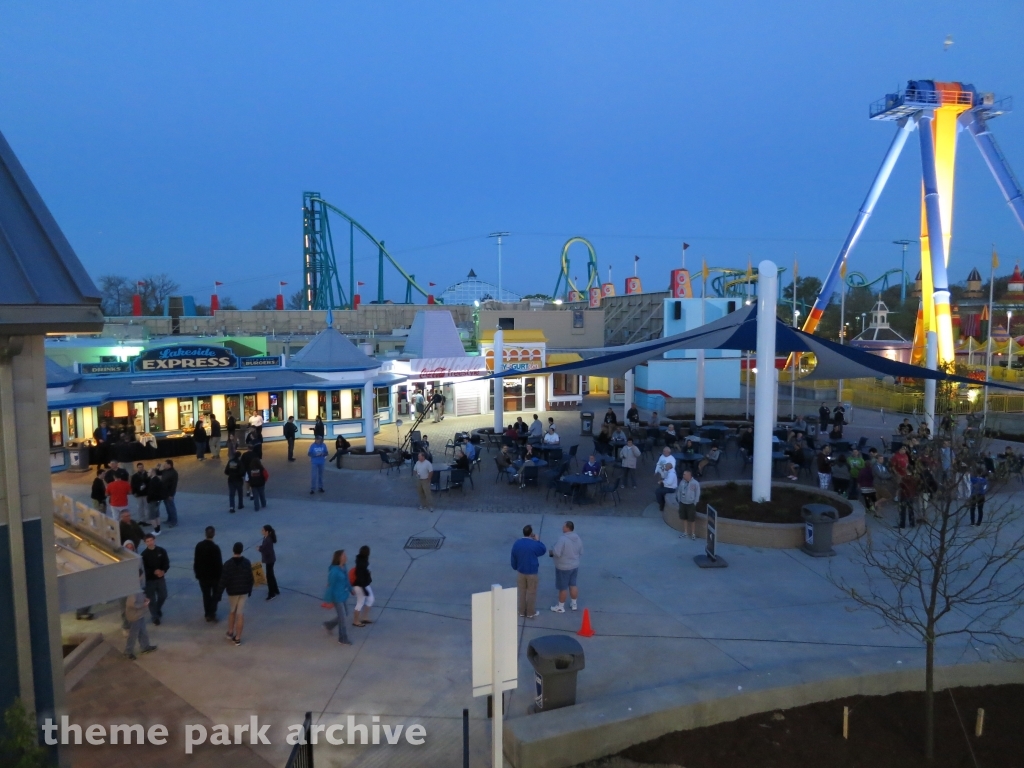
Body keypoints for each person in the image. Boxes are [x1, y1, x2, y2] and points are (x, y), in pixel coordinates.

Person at [219, 542, 254, 646]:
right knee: (240, 614)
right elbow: (250, 578)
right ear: (241, 550)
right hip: (244, 591)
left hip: (232, 591)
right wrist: (249, 590)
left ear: (233, 550)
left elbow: (223, 580)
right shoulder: (247, 562)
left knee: (232, 611)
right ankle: (238, 638)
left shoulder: (228, 564)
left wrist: (219, 593)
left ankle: (230, 632)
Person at [510, 525, 546, 618]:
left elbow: (513, 556)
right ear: (531, 533)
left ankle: (521, 611)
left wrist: (515, 567)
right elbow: (543, 550)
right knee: (531, 592)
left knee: (521, 592)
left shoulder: (517, 543)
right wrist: (537, 540)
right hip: (532, 572)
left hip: (521, 571)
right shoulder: (534, 544)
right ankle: (530, 612)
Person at [549, 521, 582, 613]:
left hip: (563, 567)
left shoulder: (562, 539)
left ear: (568, 528)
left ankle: (560, 606)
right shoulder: (578, 538)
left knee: (563, 587)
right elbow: (581, 551)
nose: (562, 527)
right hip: (574, 565)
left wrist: (552, 551)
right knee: (573, 584)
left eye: (564, 526)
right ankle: (574, 604)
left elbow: (557, 553)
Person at [322, 550, 352, 645]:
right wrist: (329, 601)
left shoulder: (343, 567)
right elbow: (330, 586)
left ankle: (329, 625)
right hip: (337, 597)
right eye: (344, 555)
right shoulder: (334, 571)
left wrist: (351, 589)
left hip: (343, 595)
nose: (346, 556)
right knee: (342, 618)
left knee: (344, 614)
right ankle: (342, 638)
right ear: (339, 558)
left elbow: (347, 579)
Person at [193, 526, 223, 622]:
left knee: (206, 595)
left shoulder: (199, 546)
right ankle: (212, 612)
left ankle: (207, 614)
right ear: (214, 534)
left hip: (203, 577)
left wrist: (197, 573)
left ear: (205, 534)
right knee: (215, 595)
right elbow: (219, 564)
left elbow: (196, 561)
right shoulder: (215, 548)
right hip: (214, 577)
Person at [140, 532, 169, 625]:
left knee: (163, 595)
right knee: (151, 599)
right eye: (147, 541)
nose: (150, 542)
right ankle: (155, 617)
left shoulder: (161, 551)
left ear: (154, 540)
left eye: (151, 540)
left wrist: (163, 571)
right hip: (150, 581)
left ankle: (157, 609)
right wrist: (153, 571)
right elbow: (144, 568)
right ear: (145, 543)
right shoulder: (144, 555)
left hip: (160, 578)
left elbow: (166, 563)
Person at [123, 591, 157, 660]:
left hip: (139, 614)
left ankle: (145, 646)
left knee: (143, 631)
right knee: (133, 634)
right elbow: (131, 604)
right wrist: (143, 604)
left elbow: (140, 597)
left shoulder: (138, 588)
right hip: (134, 616)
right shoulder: (132, 591)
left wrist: (145, 599)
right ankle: (128, 651)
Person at [352, 545, 374, 627]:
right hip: (361, 585)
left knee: (371, 599)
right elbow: (361, 577)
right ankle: (355, 621)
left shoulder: (362, 560)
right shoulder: (362, 563)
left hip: (364, 584)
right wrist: (364, 589)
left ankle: (364, 617)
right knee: (360, 603)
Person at [676, 469, 700, 540]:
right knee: (684, 518)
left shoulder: (695, 483)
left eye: (684, 474)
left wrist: (695, 502)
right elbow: (679, 491)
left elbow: (697, 494)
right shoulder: (682, 482)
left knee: (692, 519)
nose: (683, 476)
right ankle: (685, 532)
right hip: (682, 503)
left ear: (689, 475)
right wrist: (679, 500)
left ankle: (693, 534)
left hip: (691, 504)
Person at [257, 525, 279, 600]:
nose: (261, 531)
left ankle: (271, 593)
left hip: (269, 560)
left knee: (269, 576)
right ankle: (276, 590)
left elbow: (267, 551)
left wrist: (259, 549)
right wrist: (261, 547)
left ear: (267, 531)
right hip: (270, 559)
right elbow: (265, 547)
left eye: (263, 530)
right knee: (271, 574)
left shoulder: (268, 540)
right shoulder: (266, 538)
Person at [146, 467, 165, 535]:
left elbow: (151, 492)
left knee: (151, 516)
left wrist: (148, 499)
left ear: (152, 472)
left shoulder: (152, 481)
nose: (147, 473)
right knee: (157, 515)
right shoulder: (158, 480)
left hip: (153, 501)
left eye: (149, 472)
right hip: (158, 500)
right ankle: (158, 529)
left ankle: (156, 530)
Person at [161, 459, 179, 528]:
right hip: (165, 493)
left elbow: (174, 485)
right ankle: (169, 519)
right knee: (167, 507)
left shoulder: (174, 473)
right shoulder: (165, 471)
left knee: (171, 507)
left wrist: (171, 495)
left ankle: (174, 521)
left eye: (165, 464)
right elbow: (159, 472)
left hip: (169, 493)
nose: (164, 465)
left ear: (169, 465)